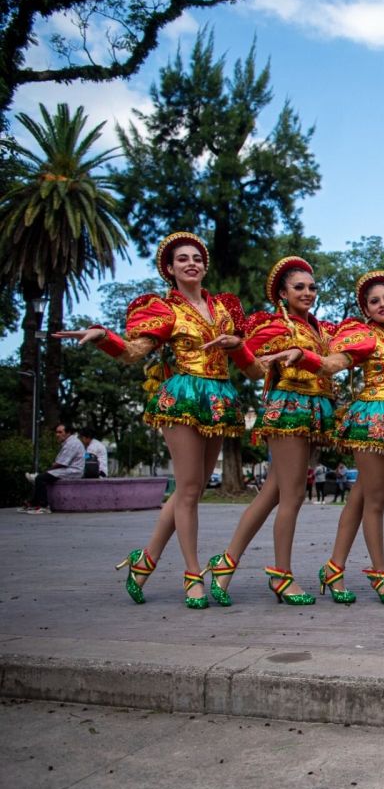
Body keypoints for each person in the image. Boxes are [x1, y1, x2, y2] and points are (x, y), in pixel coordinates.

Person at [56, 231, 259, 609]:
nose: (191, 263)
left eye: (197, 257)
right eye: (183, 259)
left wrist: (241, 346)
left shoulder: (226, 310)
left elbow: (252, 370)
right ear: (170, 268)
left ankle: (145, 561)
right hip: (182, 397)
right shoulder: (165, 309)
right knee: (189, 487)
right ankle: (192, 575)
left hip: (218, 397)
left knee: (192, 489)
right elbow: (133, 352)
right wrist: (103, 336)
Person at [202, 256, 338, 606]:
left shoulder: (320, 330)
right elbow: (257, 368)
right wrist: (238, 350)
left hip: (312, 414)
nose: (307, 293)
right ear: (282, 292)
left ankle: (225, 563)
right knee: (291, 497)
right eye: (299, 287)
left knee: (272, 495)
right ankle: (281, 575)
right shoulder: (275, 326)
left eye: (312, 287)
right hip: (289, 412)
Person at [309, 271, 384, 605]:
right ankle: (379, 571)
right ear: (366, 310)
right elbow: (337, 362)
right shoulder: (366, 336)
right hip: (373, 419)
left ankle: (333, 567)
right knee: (375, 501)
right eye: (374, 301)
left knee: (360, 497)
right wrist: (309, 359)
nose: (382, 304)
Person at [22, 423, 83, 513]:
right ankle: (33, 503)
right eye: (56, 432)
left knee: (40, 479)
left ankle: (44, 506)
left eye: (60, 432)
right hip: (69, 469)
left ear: (68, 433)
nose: (57, 435)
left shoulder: (72, 444)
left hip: (73, 471)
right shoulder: (69, 442)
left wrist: (51, 467)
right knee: (41, 478)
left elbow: (62, 463)